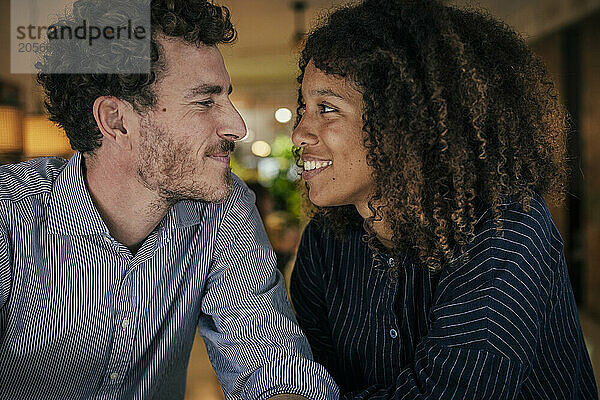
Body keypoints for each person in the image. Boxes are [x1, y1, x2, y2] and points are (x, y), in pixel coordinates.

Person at [0, 1, 339, 399]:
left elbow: (270, 367)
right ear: (116, 120)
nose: (237, 126)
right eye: (204, 101)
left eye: (225, 98)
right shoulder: (11, 213)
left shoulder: (223, 207)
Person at [289, 0, 598, 398]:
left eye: (327, 109)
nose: (299, 132)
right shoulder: (326, 242)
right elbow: (316, 381)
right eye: (304, 107)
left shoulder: (506, 230)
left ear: (401, 121)